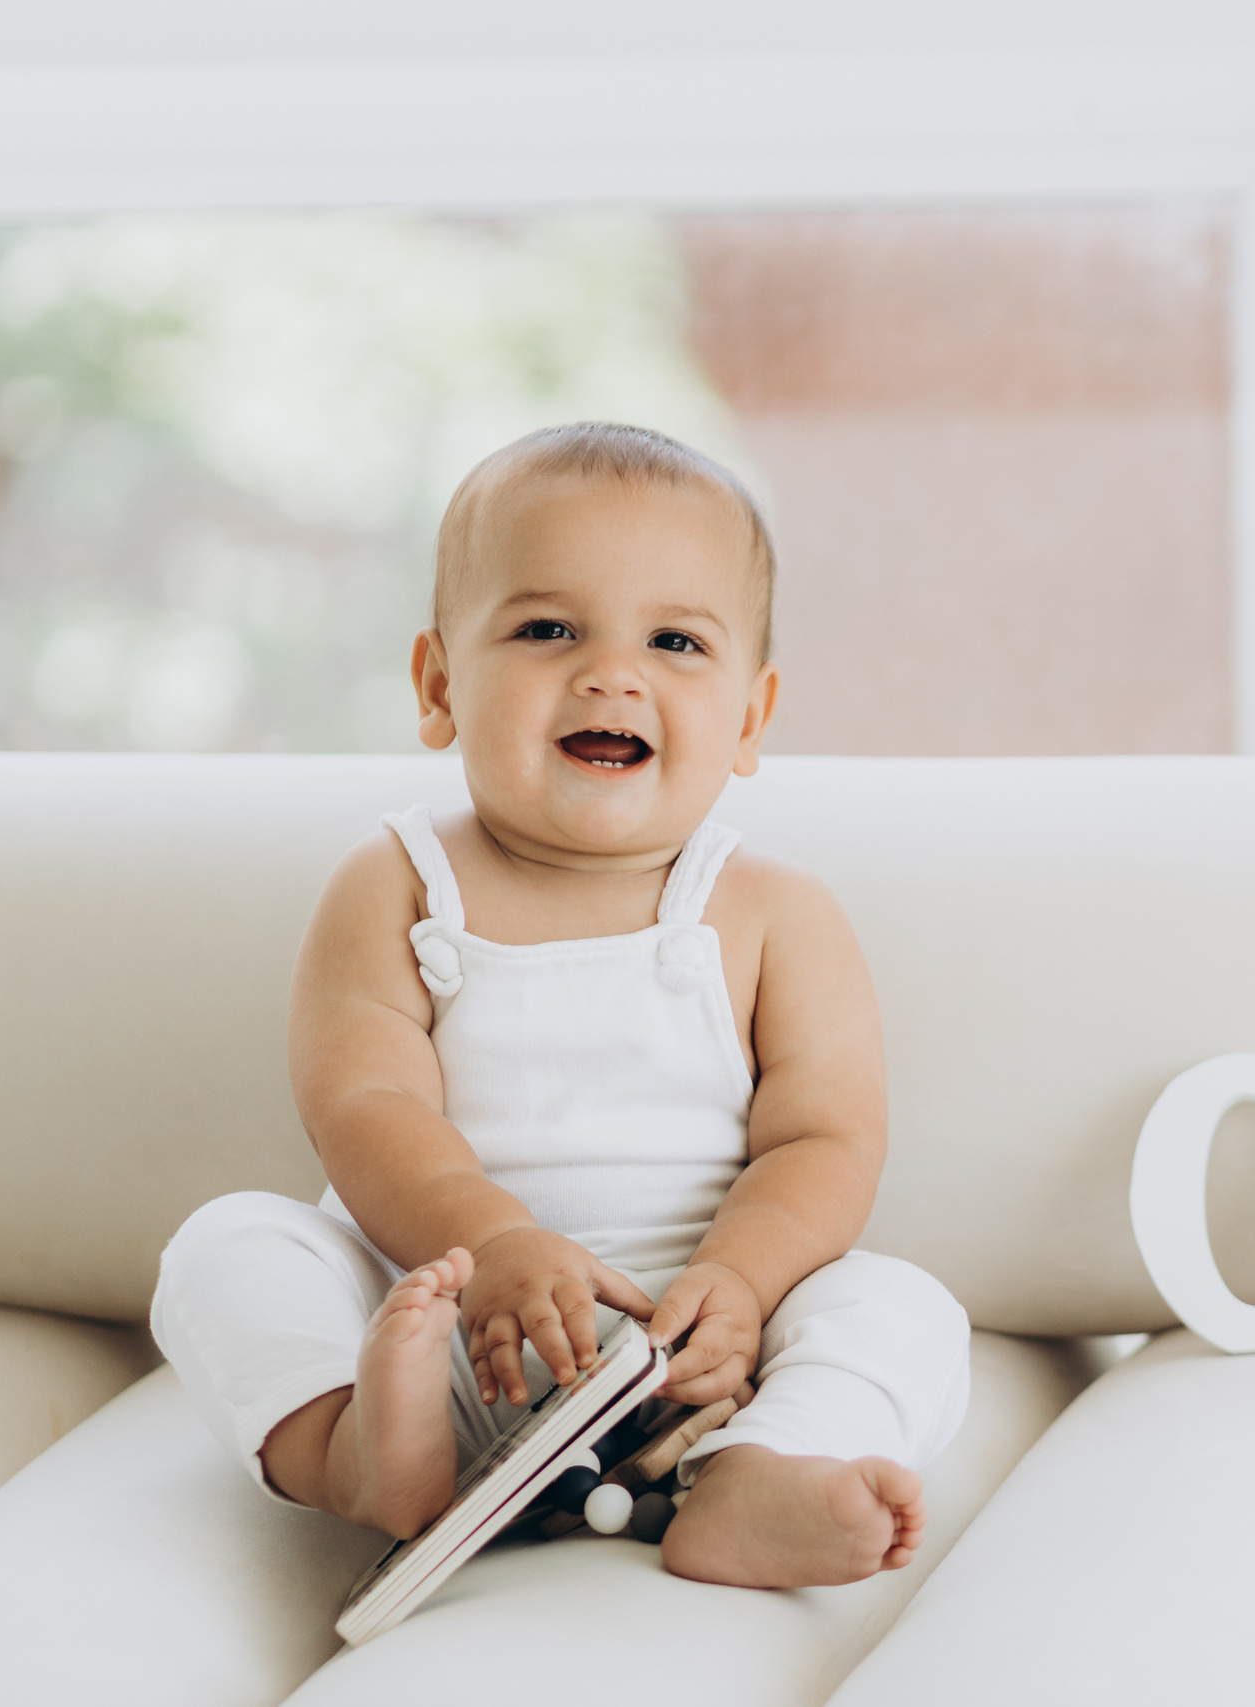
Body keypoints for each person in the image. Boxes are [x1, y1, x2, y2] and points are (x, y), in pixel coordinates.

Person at [150, 423, 969, 1590]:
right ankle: (364, 1456)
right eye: (546, 630)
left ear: (749, 717)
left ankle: (754, 1474)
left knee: (904, 1306)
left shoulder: (773, 912)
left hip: (695, 1364)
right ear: (438, 684)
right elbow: (363, 1101)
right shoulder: (394, 884)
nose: (612, 674)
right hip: (440, 1343)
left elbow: (825, 1136)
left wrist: (739, 1287)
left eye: (676, 640)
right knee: (226, 1244)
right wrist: (490, 1247)